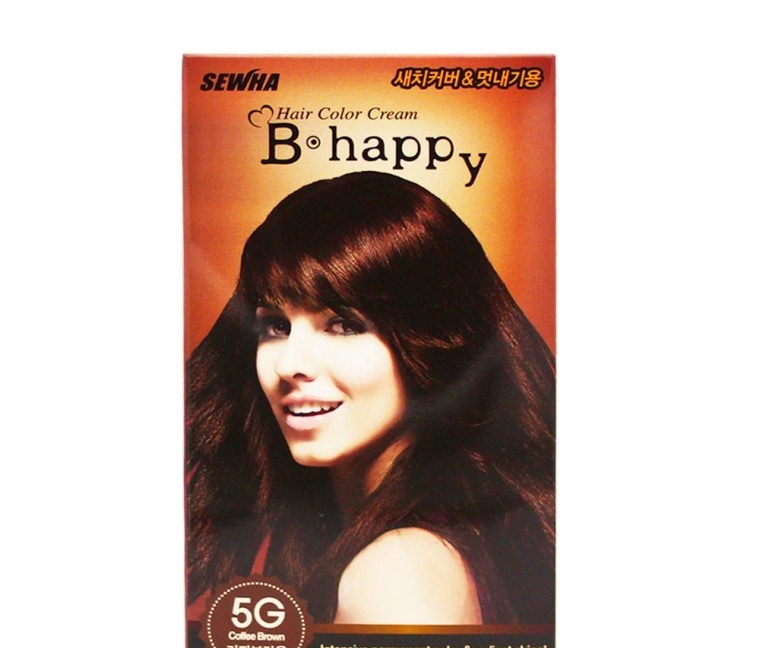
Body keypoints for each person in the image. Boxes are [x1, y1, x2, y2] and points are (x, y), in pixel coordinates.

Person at [186, 171, 555, 624]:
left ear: (429, 341)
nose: (289, 364)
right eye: (276, 326)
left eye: (344, 325)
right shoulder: (462, 528)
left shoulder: (398, 571)